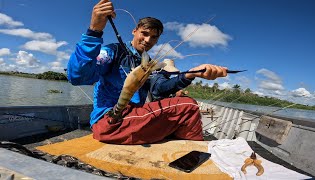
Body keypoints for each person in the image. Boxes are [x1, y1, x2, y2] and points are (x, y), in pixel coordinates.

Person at [67, 0, 228, 145]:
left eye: (154, 37)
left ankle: (186, 153)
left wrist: (190, 75)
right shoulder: (113, 51)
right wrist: (94, 31)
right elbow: (77, 76)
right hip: (108, 121)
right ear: (134, 31)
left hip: (130, 117)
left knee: (184, 101)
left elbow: (159, 87)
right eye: (144, 33)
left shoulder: (150, 64)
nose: (148, 40)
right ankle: (194, 152)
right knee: (189, 106)